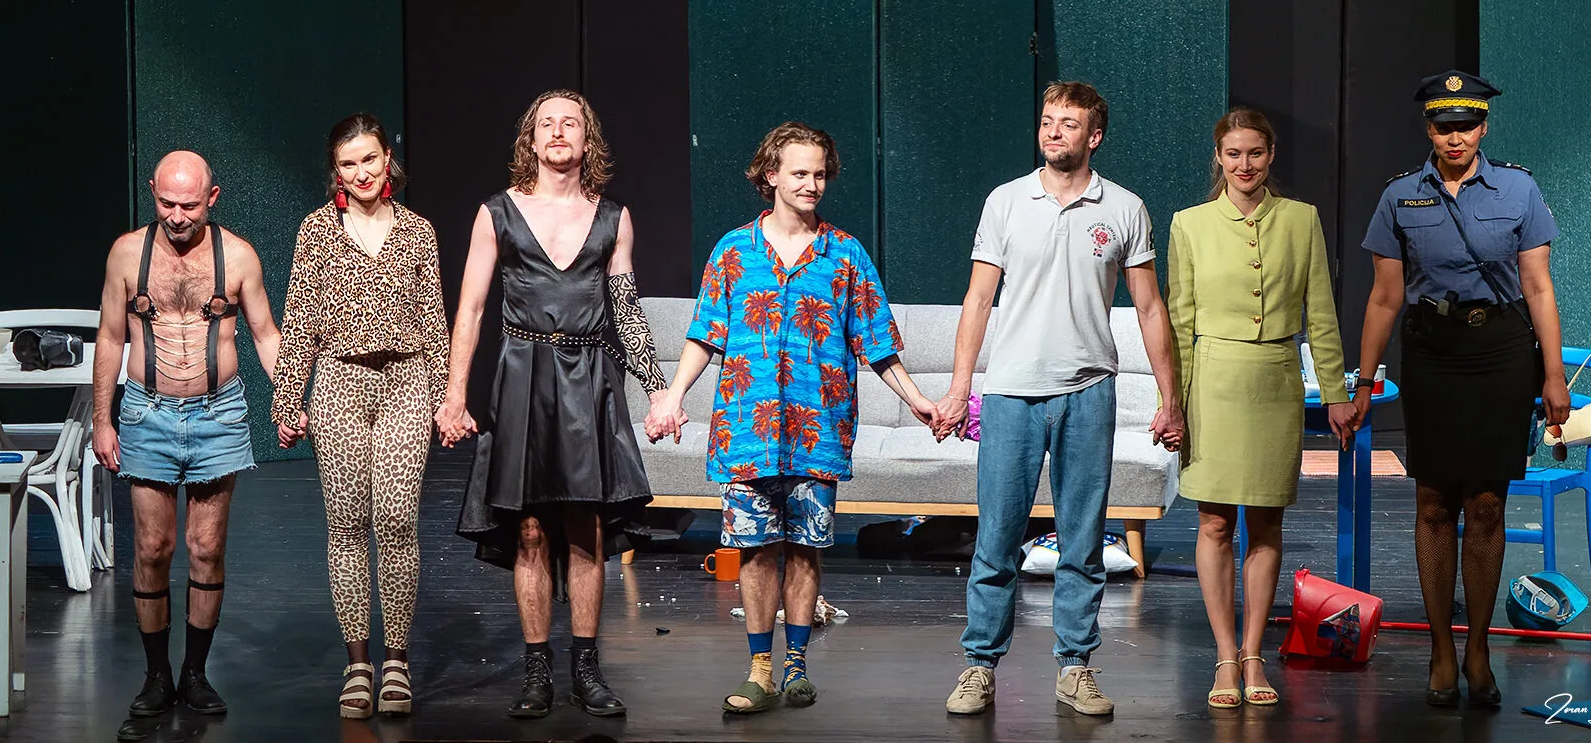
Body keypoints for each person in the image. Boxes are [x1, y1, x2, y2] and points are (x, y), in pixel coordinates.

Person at [645, 122, 937, 714]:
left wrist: (915, 399)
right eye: (800, 173)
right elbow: (705, 334)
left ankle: (797, 665)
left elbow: (876, 342)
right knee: (756, 551)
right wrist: (671, 396)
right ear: (771, 175)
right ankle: (760, 670)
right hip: (746, 428)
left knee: (806, 548)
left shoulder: (844, 254)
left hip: (818, 428)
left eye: (820, 174)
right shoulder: (734, 250)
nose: (811, 184)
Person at [933, 81, 1185, 717]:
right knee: (997, 537)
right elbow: (978, 299)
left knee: (1082, 537)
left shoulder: (1123, 207)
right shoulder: (1006, 201)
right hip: (1012, 393)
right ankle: (979, 665)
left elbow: (1150, 308)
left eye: (1068, 123)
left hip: (1088, 391)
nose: (1052, 131)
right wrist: (960, 389)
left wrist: (1171, 398)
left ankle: (1075, 666)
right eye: (1047, 120)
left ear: (1093, 136)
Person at [438, 90, 668, 719]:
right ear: (532, 140)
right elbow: (471, 311)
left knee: (586, 526)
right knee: (531, 528)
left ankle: (586, 668)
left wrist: (657, 390)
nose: (559, 132)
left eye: (571, 123)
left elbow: (626, 311)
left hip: (589, 379)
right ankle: (536, 669)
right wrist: (454, 396)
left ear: (587, 140)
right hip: (523, 377)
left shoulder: (613, 217)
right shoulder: (498, 212)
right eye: (547, 124)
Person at [1352, 71, 1568, 708]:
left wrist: (1553, 374)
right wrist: (1363, 380)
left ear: (1483, 127)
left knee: (1489, 503)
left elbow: (1538, 287)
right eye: (1444, 126)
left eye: (1466, 125)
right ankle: (1442, 648)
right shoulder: (1400, 196)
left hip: (1501, 353)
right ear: (1428, 128)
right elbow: (1385, 297)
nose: (1455, 137)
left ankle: (1478, 646)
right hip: (1433, 353)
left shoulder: (1519, 188)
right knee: (1434, 503)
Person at [1166, 107, 1357, 709]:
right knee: (1215, 522)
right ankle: (1225, 656)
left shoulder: (1301, 219)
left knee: (1268, 522)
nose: (1244, 165)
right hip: (1213, 385)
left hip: (1275, 381)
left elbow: (1320, 312)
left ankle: (1253, 654)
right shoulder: (1189, 225)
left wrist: (1335, 392)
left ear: (1270, 155)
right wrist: (1175, 403)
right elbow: (1178, 321)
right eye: (1233, 154)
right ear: (1218, 159)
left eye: (1254, 153)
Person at [90, 151, 281, 722]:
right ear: (153, 191)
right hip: (146, 413)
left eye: (190, 205)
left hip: (217, 415)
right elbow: (110, 336)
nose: (177, 216)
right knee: (152, 548)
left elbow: (265, 334)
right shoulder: (127, 253)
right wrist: (102, 419)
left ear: (212, 198)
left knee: (206, 548)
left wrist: (291, 400)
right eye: (167, 203)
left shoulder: (238, 255)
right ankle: (157, 676)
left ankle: (195, 673)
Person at [272, 114, 449, 718]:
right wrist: (288, 399)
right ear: (336, 171)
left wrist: (444, 398)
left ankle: (396, 659)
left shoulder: (417, 231)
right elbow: (299, 320)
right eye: (348, 164)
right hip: (339, 381)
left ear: (387, 159)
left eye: (369, 159)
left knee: (396, 517)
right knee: (346, 522)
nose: (362, 172)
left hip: (406, 379)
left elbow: (435, 322)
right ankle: (357, 662)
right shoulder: (318, 229)